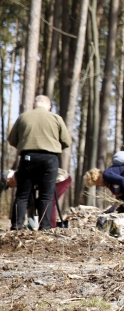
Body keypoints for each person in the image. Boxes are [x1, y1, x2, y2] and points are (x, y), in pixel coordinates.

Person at [7, 95, 71, 230]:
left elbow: (12, 140)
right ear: (49, 107)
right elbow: (66, 141)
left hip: (27, 157)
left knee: (22, 194)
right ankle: (45, 227)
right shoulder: (55, 118)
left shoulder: (23, 117)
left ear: (34, 106)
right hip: (49, 159)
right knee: (46, 196)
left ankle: (17, 226)